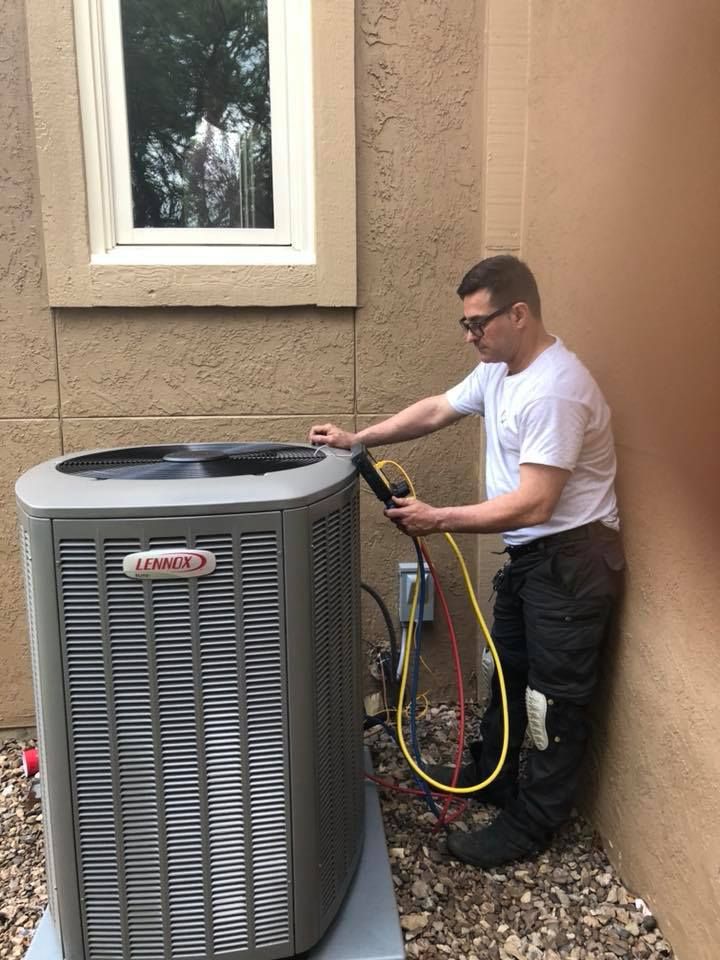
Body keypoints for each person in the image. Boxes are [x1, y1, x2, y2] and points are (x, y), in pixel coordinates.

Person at [308, 254, 624, 869]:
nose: (469, 335)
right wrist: (359, 439)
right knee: (507, 672)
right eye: (465, 324)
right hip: (535, 559)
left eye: (478, 323)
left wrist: (438, 517)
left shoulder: (555, 389)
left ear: (520, 314)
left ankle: (530, 824)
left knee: (553, 702)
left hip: (573, 561)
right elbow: (435, 409)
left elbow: (537, 502)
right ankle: (496, 774)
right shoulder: (500, 371)